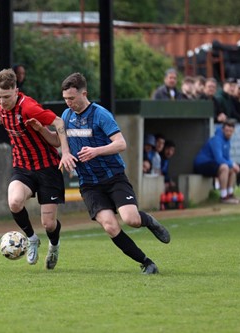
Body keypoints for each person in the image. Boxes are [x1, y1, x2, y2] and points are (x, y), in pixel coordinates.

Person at [29, 72, 170, 274]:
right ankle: (146, 262)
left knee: (131, 219)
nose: (68, 103)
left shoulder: (100, 114)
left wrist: (96, 151)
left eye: (72, 98)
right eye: (65, 99)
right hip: (89, 184)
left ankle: (149, 221)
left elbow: (121, 143)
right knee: (110, 226)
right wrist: (40, 130)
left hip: (113, 177)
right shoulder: (67, 117)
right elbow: (57, 141)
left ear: (83, 93)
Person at [0, 68, 77, 270]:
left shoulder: (29, 107)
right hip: (22, 166)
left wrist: (65, 152)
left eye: (6, 96)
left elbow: (58, 121)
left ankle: (54, 245)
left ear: (16, 90)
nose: (2, 101)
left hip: (47, 167)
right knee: (14, 202)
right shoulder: (1, 103)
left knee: (49, 224)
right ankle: (31, 239)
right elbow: (0, 114)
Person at [193, 120, 240, 204]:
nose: (229, 133)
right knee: (224, 167)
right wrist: (232, 164)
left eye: (231, 131)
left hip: (212, 164)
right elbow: (219, 159)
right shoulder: (216, 140)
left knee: (231, 169)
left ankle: (230, 194)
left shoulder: (227, 141)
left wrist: (233, 165)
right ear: (223, 130)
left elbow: (226, 158)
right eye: (227, 131)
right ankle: (223, 196)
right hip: (202, 164)